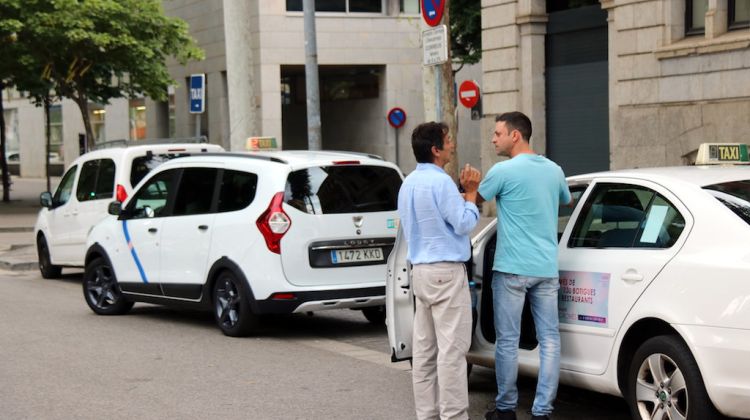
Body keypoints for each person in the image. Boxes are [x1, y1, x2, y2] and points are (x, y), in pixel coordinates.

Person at [478, 112, 572, 420]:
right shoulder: (554, 169)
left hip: (512, 269)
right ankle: (542, 411)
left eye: (497, 133)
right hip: (546, 268)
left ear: (515, 135)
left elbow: (475, 199)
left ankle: (506, 408)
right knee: (550, 339)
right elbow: (565, 199)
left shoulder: (502, 171)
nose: (493, 139)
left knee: (508, 340)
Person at [397, 121, 482, 420]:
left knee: (424, 354)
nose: (452, 145)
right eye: (448, 141)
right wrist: (471, 195)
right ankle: (454, 417)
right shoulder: (441, 181)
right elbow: (463, 223)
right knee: (452, 355)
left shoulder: (408, 183)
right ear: (435, 150)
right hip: (446, 272)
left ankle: (428, 415)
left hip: (420, 271)